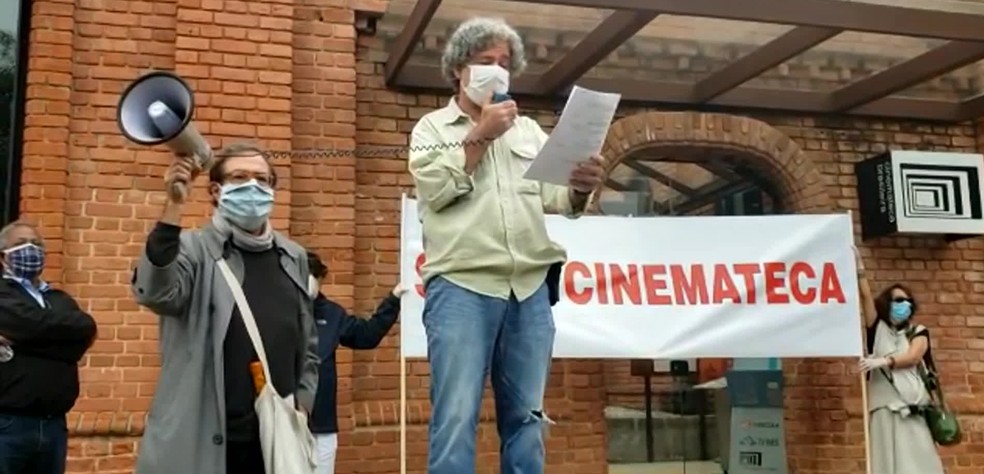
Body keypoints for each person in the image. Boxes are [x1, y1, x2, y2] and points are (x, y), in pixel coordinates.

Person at [407, 16, 607, 474]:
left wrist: (581, 186)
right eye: (484, 62)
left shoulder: (530, 132)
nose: (497, 71)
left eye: (504, 63)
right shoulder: (431, 129)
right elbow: (435, 190)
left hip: (529, 289)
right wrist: (480, 135)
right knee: (456, 415)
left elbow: (562, 201)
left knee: (528, 418)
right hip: (461, 287)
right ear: (459, 70)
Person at [130, 143, 319, 474]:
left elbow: (308, 342)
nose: (252, 187)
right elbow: (158, 294)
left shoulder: (293, 256)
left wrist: (302, 404)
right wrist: (173, 207)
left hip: (274, 437)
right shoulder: (192, 249)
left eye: (262, 179)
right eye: (240, 177)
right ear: (216, 191)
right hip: (208, 439)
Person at [0, 221, 97, 474]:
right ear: (3, 256)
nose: (31, 249)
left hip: (54, 426)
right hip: (8, 424)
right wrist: (57, 343)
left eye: (37, 244)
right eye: (20, 244)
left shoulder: (60, 300)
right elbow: (28, 324)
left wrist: (23, 342)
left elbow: (86, 329)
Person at [304, 250, 404, 474]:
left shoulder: (332, 314)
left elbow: (366, 336)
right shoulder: (281, 310)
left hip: (322, 425)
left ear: (320, 279)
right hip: (287, 422)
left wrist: (393, 299)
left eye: (312, 275)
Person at [856, 250, 945, 474]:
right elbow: (866, 297)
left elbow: (913, 356)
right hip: (884, 409)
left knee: (918, 464)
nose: (903, 304)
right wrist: (859, 269)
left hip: (912, 409)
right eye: (898, 300)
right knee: (886, 464)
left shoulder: (918, 331)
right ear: (887, 303)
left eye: (907, 301)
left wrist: (883, 361)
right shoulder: (878, 329)